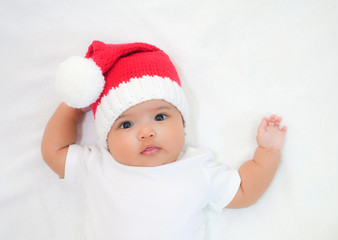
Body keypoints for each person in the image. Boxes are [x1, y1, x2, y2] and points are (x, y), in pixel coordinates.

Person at [41, 41, 287, 240]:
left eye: (160, 116)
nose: (146, 133)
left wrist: (267, 152)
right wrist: (73, 106)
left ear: (183, 124)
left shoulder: (196, 168)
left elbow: (244, 191)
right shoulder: (98, 165)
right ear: (107, 139)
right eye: (126, 124)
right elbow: (54, 151)